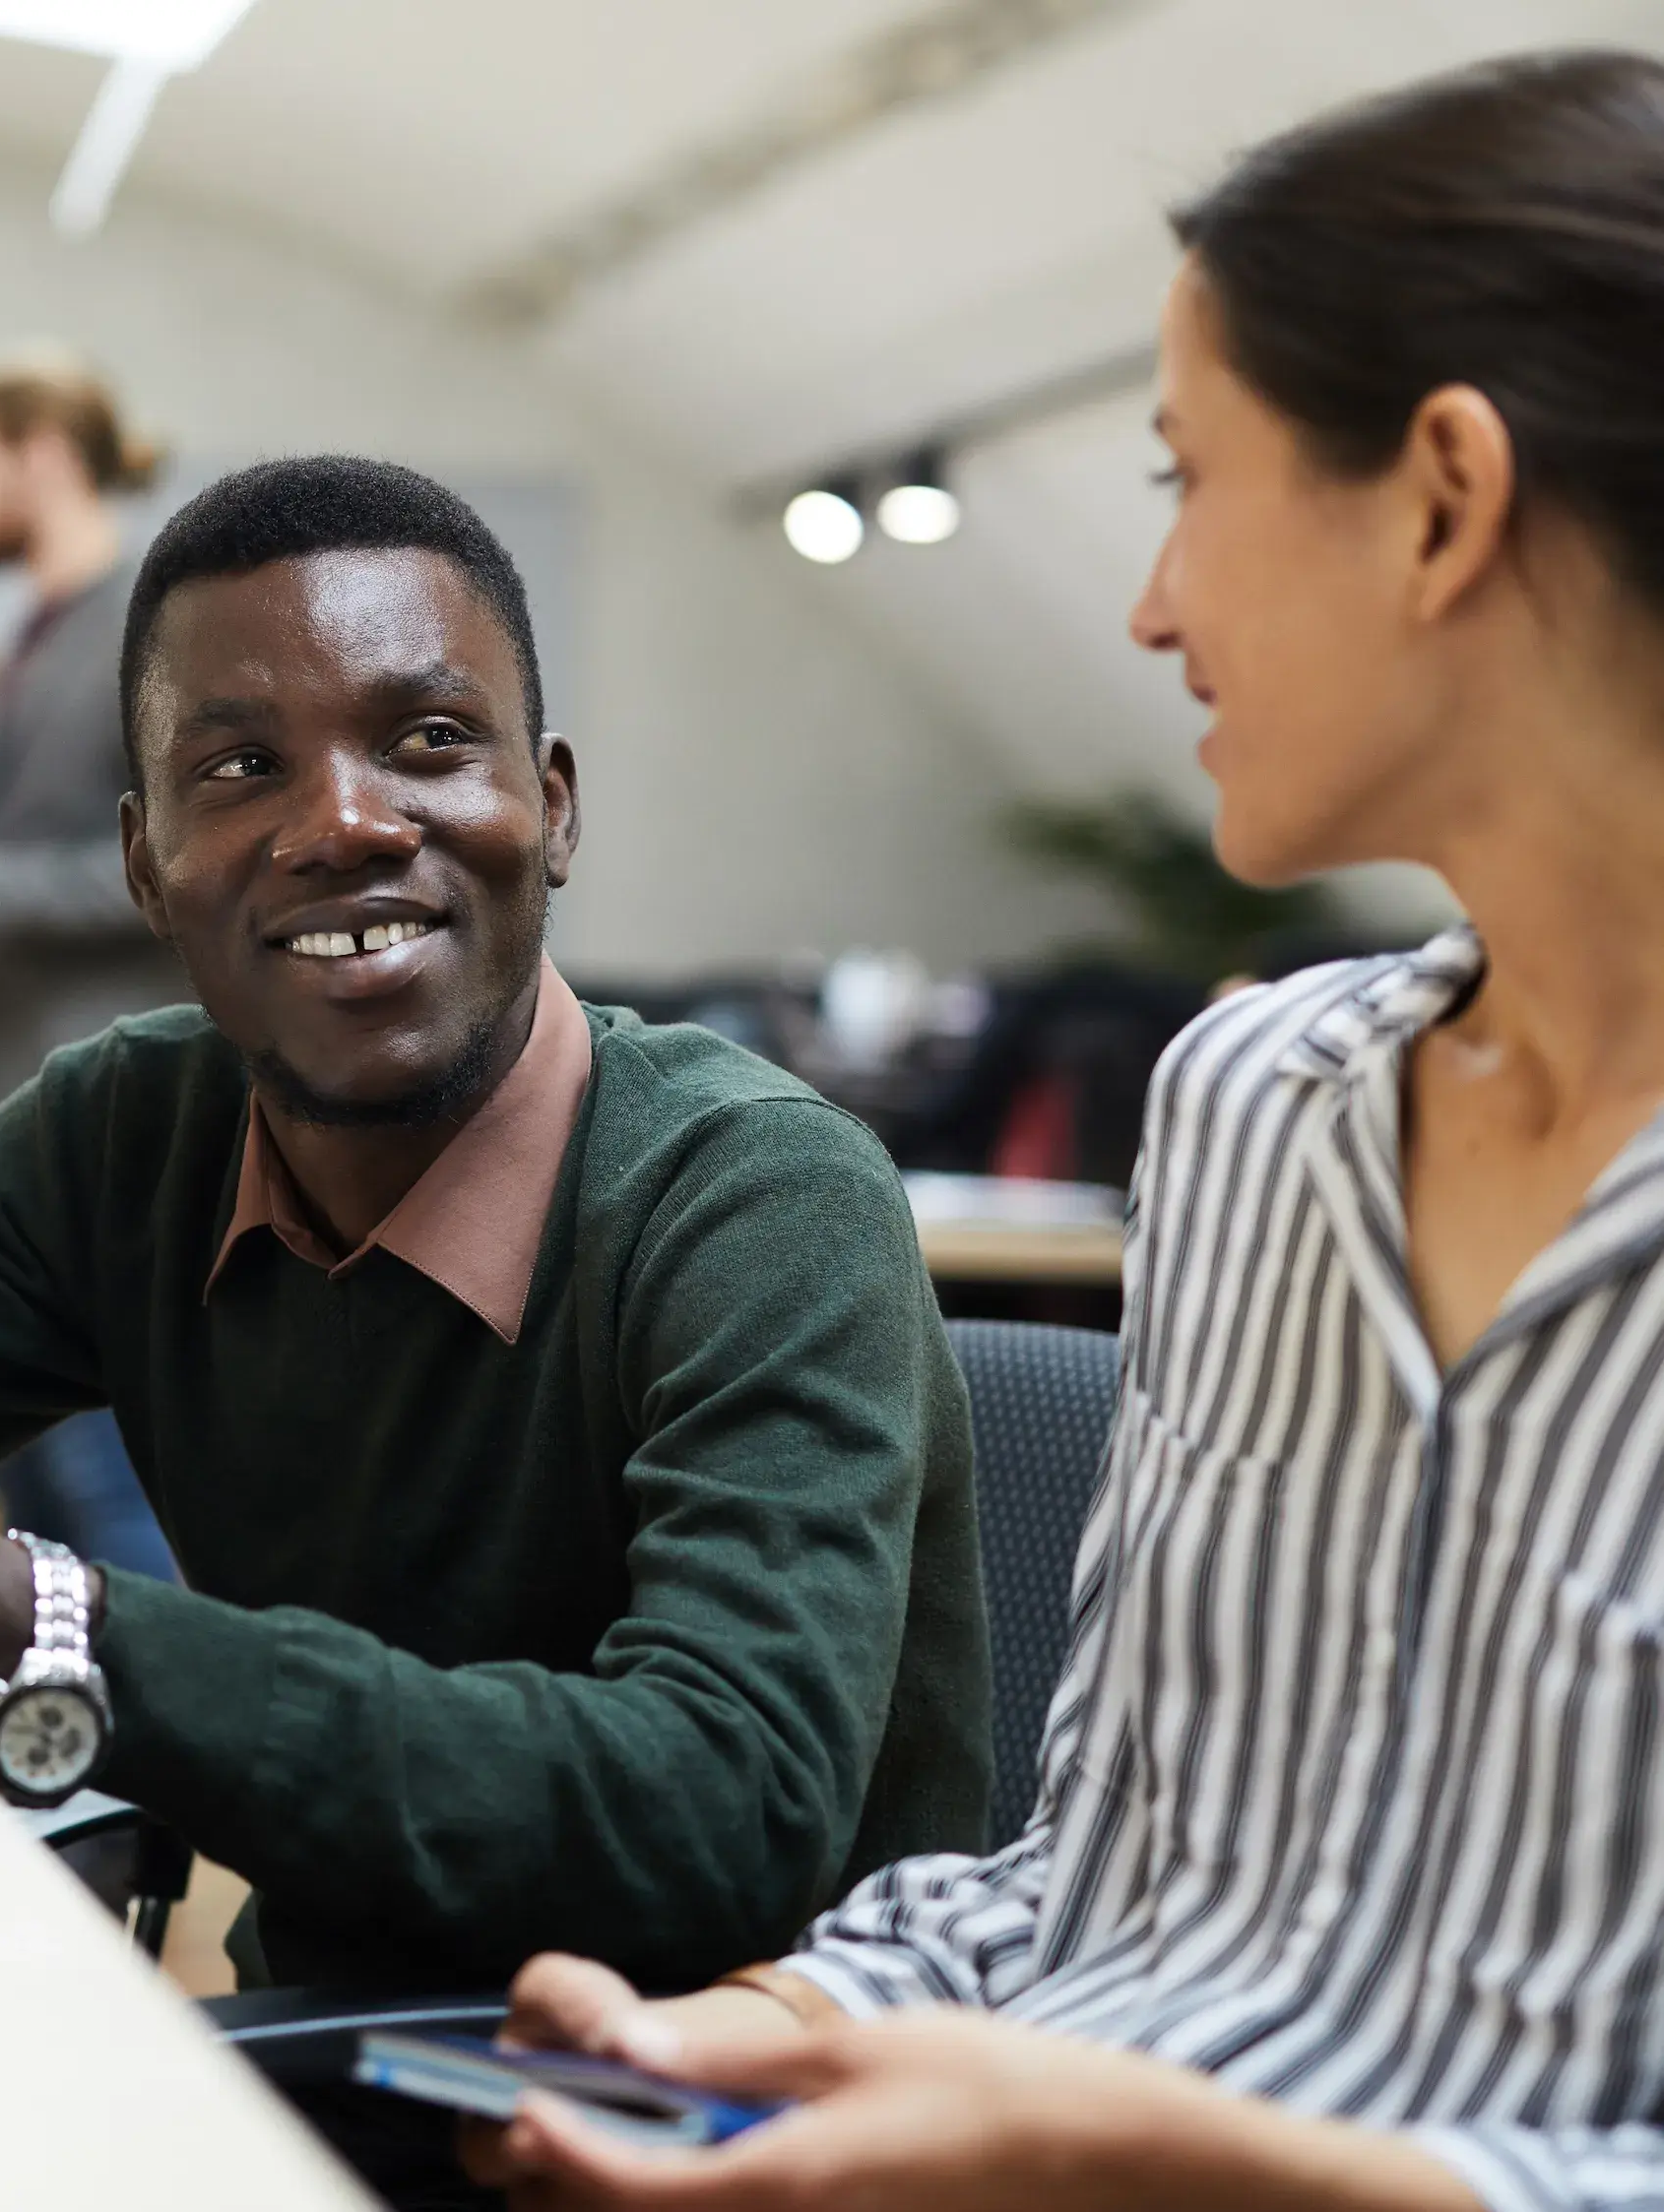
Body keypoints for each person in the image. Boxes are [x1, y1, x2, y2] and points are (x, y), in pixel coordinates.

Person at [468, 51, 1664, 2212]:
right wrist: (768, 2021)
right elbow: (1103, 1886)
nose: (1142, 606)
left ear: (1438, 496)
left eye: (1180, 479)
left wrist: (1160, 2152)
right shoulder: (1249, 1111)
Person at [0, 454, 994, 2198]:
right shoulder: (129, 1133)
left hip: (714, 2119)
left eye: (428, 740)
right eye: (241, 766)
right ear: (144, 860)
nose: (341, 818)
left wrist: (61, 1630)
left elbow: (716, 1810)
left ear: (552, 806)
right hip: (332, 2078)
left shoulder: (760, 1198)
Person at [0, 349, 189, 1576]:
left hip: (104, 1110)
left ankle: (147, 1754)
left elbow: (184, 854)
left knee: (103, 1485)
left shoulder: (147, 627)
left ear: (44, 458)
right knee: (33, 1482)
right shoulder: (41, 632)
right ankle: (59, 1743)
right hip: (8, 1096)